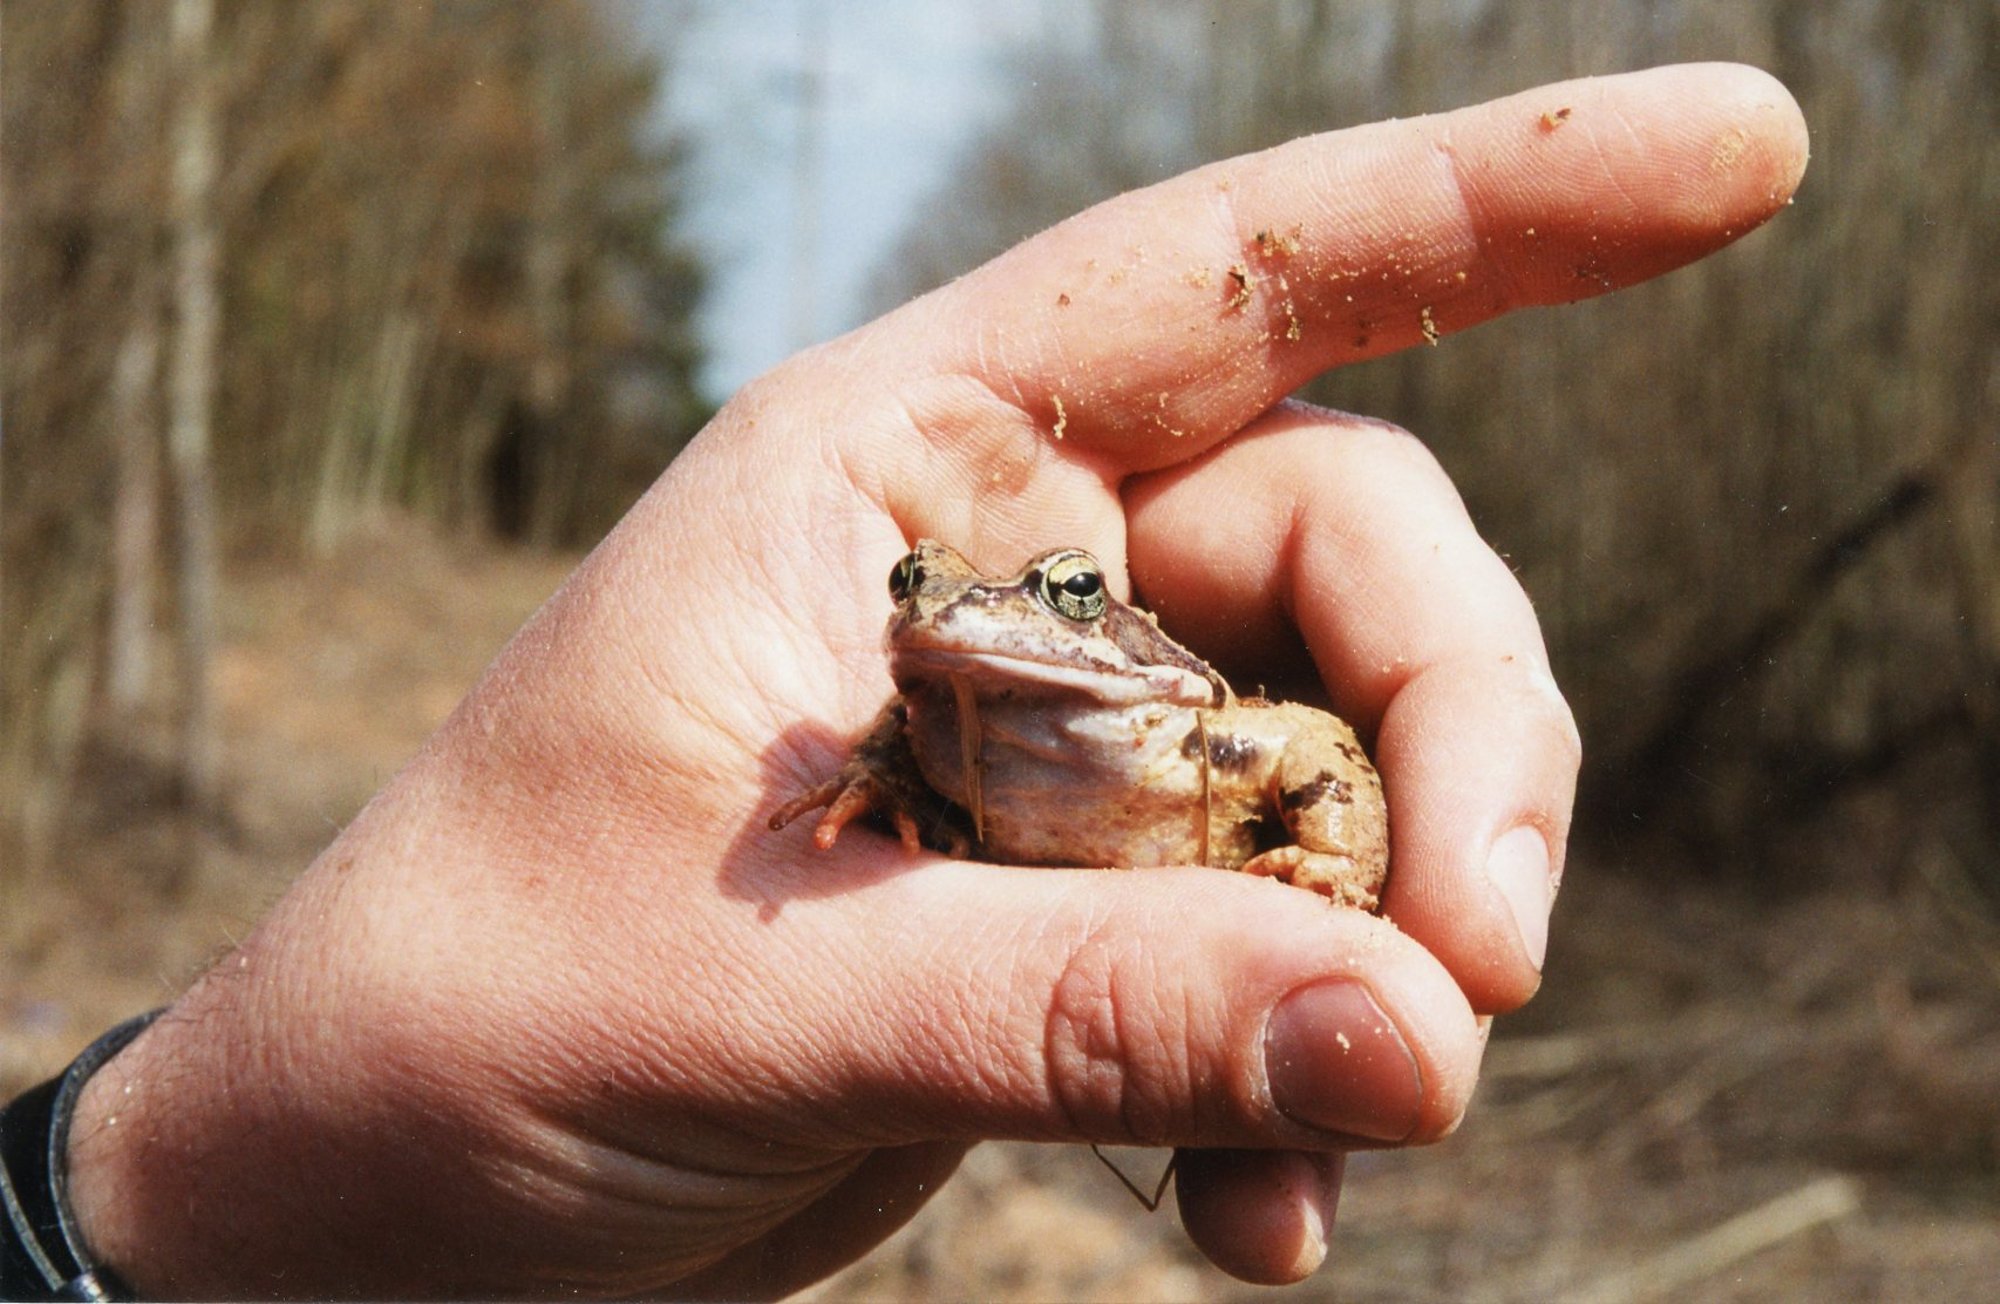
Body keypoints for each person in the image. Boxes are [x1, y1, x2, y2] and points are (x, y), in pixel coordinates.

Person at [5, 63, 1806, 1299]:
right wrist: (223, 1196)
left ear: (1102, 616)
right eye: (925, 602)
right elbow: (911, 720)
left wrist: (1326, 887)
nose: (961, 623)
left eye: (1035, 598)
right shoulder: (927, 725)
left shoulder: (1202, 721)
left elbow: (1328, 776)